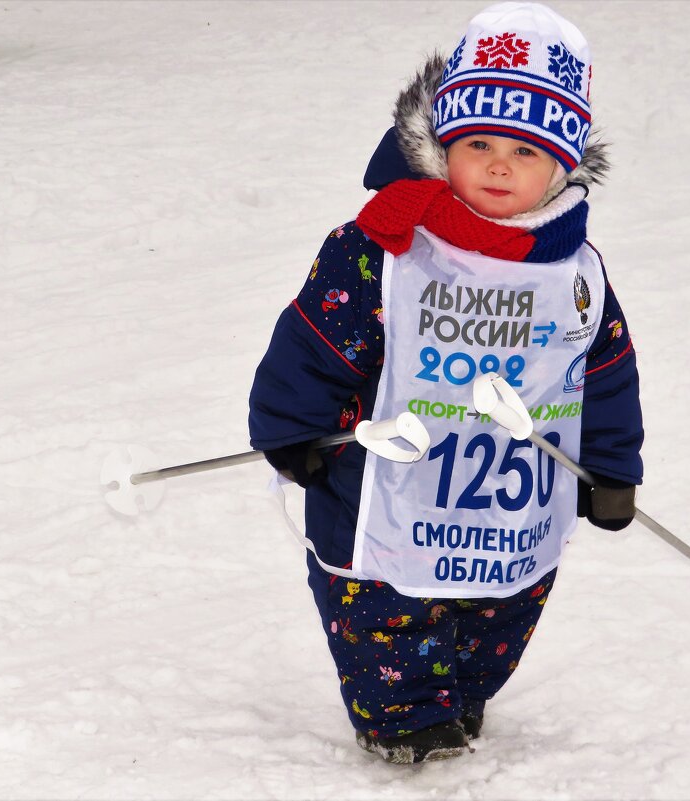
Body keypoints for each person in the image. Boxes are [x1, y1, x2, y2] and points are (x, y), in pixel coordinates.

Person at [249, 1, 643, 765]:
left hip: (508, 497)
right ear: (441, 143)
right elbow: (314, 340)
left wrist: (611, 469)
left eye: (525, 152)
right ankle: (400, 716)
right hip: (379, 482)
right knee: (388, 608)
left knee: (500, 607)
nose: (499, 165)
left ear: (562, 165)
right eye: (480, 143)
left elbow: (602, 369)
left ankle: (462, 690)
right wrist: (291, 430)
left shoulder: (574, 272)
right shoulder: (384, 248)